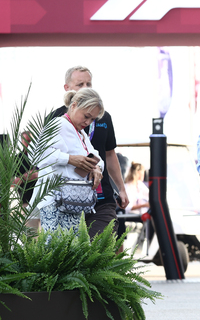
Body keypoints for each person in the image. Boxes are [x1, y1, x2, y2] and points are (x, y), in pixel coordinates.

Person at [51, 66, 129, 237]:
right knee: (71, 256)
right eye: (80, 84)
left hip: (101, 198)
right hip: (67, 199)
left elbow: (109, 155)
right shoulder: (56, 119)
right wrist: (70, 159)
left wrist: (121, 188)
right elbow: (43, 157)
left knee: (102, 250)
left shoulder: (103, 116)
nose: (86, 87)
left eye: (89, 83)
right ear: (67, 88)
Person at [34, 88, 105, 232]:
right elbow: (38, 155)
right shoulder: (58, 124)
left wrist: (97, 168)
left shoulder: (80, 133)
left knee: (67, 250)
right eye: (86, 116)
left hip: (71, 201)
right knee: (58, 249)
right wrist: (69, 159)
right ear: (74, 105)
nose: (88, 121)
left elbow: (97, 156)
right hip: (56, 200)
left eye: (92, 119)